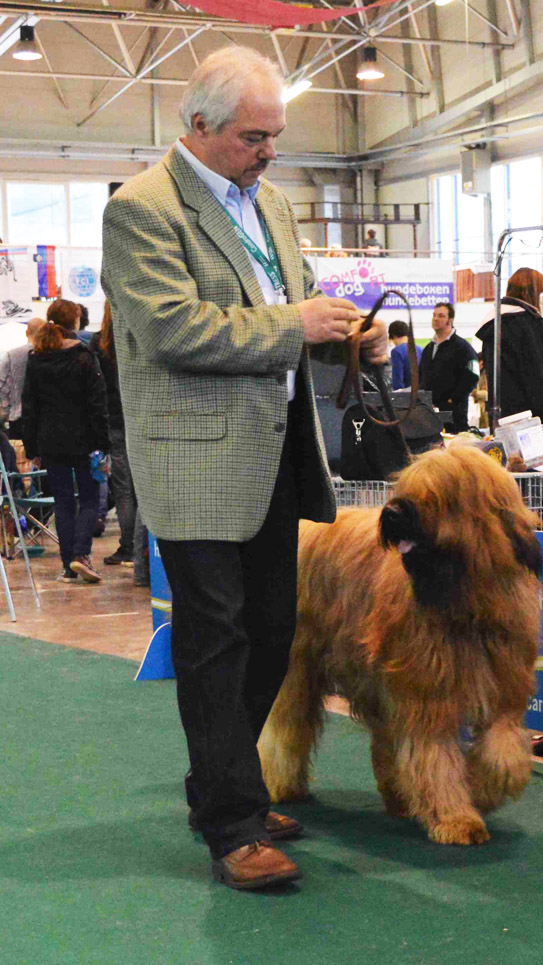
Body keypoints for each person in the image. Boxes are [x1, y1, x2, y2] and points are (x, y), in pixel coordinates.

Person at [101, 45, 386, 893]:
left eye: (276, 136)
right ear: (200, 127)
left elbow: (281, 307)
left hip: (272, 456)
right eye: (254, 137)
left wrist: (344, 329)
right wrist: (296, 324)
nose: (270, 152)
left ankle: (222, 785)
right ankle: (232, 820)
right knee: (216, 641)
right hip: (193, 466)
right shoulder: (143, 209)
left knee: (270, 630)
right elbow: (175, 330)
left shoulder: (274, 209)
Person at [21, 313, 109, 584]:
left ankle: (68, 565)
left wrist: (31, 446)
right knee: (91, 499)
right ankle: (81, 555)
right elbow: (97, 403)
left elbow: (29, 408)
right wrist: (103, 443)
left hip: (51, 443)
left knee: (63, 503)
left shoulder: (35, 364)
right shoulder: (84, 358)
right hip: (86, 443)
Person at [90, 303, 143, 571]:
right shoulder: (139, 335)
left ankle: (128, 547)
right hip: (141, 418)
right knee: (144, 488)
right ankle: (143, 551)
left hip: (113, 421)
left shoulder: (98, 343)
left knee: (123, 490)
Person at [476, 267, 543, 424]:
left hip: (502, 411)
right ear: (530, 293)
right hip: (531, 414)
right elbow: (539, 373)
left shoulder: (495, 325)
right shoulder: (531, 325)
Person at [419, 301, 478, 431]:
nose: (435, 319)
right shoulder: (429, 348)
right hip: (429, 413)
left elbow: (473, 375)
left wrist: (454, 398)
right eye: (434, 315)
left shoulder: (463, 347)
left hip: (454, 415)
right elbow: (421, 376)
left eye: (441, 316)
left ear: (450, 320)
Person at [0, 317, 43, 439]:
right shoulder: (50, 354)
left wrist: (6, 407)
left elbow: (1, 386)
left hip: (18, 416)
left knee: (20, 456)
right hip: (45, 419)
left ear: (26, 333)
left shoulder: (12, 355)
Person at [388, 319, 421, 389]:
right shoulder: (421, 349)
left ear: (393, 336)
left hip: (407, 394)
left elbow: (398, 379)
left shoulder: (397, 351)